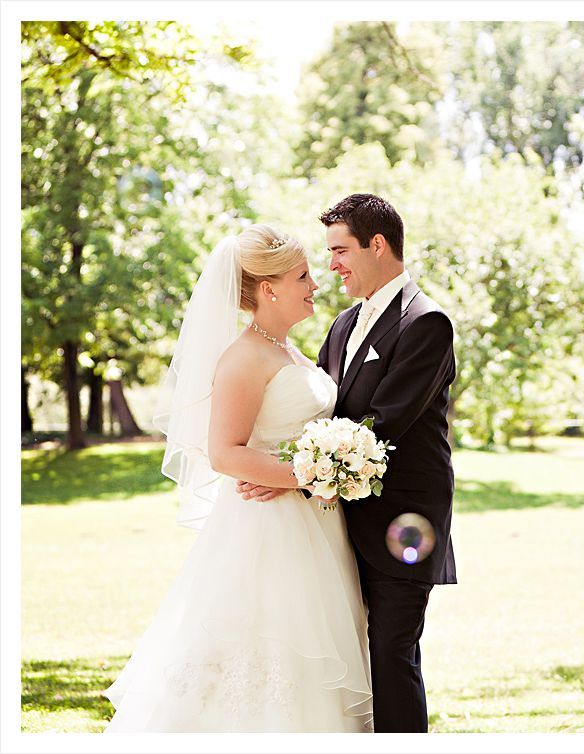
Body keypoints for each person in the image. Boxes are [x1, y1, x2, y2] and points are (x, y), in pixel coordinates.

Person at [103, 225, 373, 732]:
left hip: (317, 525)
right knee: (272, 643)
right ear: (269, 289)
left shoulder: (289, 350)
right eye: (303, 276)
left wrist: (324, 469)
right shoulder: (244, 357)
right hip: (268, 529)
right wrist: (309, 476)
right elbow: (224, 453)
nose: (315, 284)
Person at [237, 194, 457, 733]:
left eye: (340, 251)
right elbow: (322, 414)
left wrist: (298, 478)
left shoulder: (426, 324)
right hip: (335, 527)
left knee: (391, 655)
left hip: (400, 525)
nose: (330, 265)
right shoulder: (343, 324)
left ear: (376, 246)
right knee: (350, 659)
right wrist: (287, 468)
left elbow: (383, 425)